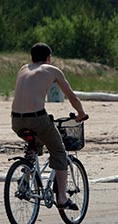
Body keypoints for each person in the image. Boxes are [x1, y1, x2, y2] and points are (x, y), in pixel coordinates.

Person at [11, 43, 88, 210]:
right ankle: (61, 198)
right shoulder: (52, 70)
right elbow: (72, 96)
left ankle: (25, 178)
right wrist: (81, 114)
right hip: (37, 119)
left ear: (32, 58)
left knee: (35, 144)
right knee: (59, 151)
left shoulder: (23, 68)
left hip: (16, 121)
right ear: (48, 58)